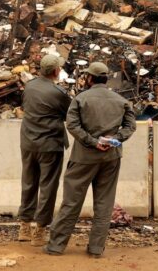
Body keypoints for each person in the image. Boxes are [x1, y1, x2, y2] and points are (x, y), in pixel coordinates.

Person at [45, 61, 136, 258]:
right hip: (111, 158)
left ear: (90, 78)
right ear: (106, 78)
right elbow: (131, 126)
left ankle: (56, 246)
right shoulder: (120, 100)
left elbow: (72, 125)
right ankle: (96, 249)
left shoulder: (80, 99)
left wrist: (93, 142)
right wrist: (115, 139)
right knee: (104, 204)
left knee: (71, 203)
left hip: (83, 159)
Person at [17, 52, 71, 247]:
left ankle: (24, 226)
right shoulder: (58, 93)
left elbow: (25, 107)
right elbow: (70, 114)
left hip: (28, 142)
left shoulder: (29, 86)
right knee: (48, 186)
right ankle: (39, 231)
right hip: (50, 145)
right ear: (56, 71)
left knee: (29, 183)